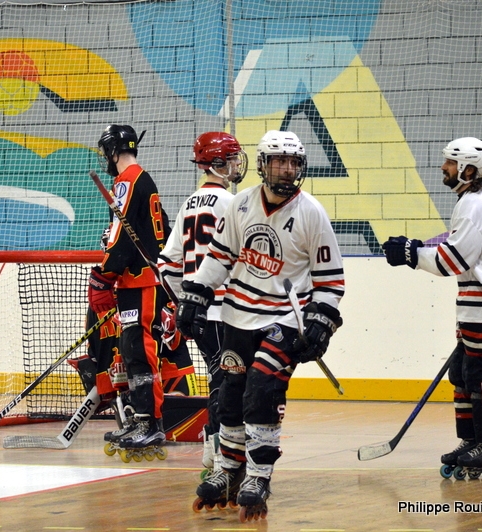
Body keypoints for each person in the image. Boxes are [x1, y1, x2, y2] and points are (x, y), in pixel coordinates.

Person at [177, 130, 344, 520]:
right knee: (230, 395)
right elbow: (219, 258)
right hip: (238, 314)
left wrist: (321, 323)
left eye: (294, 163)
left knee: (262, 388)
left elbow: (331, 280)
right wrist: (196, 292)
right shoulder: (239, 205)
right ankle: (228, 469)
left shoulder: (311, 213)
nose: (287, 169)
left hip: (285, 319)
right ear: (264, 164)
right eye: (279, 161)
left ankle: (259, 474)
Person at [381, 137, 482, 472]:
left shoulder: (473, 205)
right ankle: (473, 440)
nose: (443, 167)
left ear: (468, 169)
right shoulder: (479, 200)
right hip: (481, 309)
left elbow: (454, 261)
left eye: (449, 162)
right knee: (462, 374)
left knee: (480, 377)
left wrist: (410, 253)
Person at [158, 131, 248, 471]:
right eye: (232, 158)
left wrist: (184, 301)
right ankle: (220, 449)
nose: (238, 164)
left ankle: (214, 450)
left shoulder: (188, 203)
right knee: (230, 381)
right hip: (227, 310)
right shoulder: (233, 203)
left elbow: (166, 264)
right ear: (218, 164)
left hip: (200, 313)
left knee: (220, 377)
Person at [87, 124, 168, 455]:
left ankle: (151, 422)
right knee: (132, 349)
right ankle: (142, 416)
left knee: (141, 349)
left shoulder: (127, 181)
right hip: (137, 279)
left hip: (142, 280)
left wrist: (104, 274)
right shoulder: (141, 179)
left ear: (111, 151)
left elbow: (121, 238)